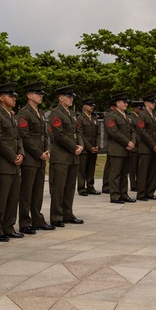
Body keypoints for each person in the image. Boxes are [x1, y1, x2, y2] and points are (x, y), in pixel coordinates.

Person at [0, 83, 24, 241]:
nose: (14, 99)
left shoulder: (12, 115)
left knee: (12, 197)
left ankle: (8, 227)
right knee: (0, 199)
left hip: (15, 164)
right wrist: (12, 156)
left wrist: (21, 152)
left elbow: (18, 138)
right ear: (1, 98)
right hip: (4, 163)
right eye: (11, 96)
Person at [17, 82, 52, 233]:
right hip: (31, 159)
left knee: (38, 192)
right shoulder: (24, 113)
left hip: (40, 158)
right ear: (29, 96)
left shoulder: (41, 113)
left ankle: (38, 219)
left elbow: (44, 135)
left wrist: (46, 150)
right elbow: (25, 137)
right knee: (27, 192)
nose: (41, 96)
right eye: (38, 94)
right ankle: (25, 222)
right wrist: (39, 153)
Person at [47, 85, 84, 224]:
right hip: (61, 156)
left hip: (73, 156)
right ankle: (56, 216)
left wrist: (81, 145)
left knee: (69, 187)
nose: (71, 99)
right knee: (59, 188)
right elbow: (59, 135)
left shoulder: (72, 114)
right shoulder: (56, 113)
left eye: (72, 97)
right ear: (61, 98)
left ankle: (67, 213)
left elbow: (78, 132)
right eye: (68, 97)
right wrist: (74, 147)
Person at [104, 92, 135, 204]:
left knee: (124, 173)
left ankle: (124, 194)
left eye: (127, 102)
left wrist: (132, 142)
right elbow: (114, 132)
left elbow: (132, 131)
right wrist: (127, 142)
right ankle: (115, 195)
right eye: (124, 102)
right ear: (117, 103)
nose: (126, 104)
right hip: (117, 149)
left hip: (127, 149)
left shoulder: (127, 117)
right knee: (115, 173)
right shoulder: (111, 116)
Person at [135, 94, 156, 201]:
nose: (153, 104)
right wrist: (153, 144)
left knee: (152, 171)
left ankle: (150, 192)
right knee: (143, 172)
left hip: (154, 147)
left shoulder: (153, 115)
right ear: (146, 103)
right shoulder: (142, 115)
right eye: (151, 102)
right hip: (145, 147)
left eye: (154, 102)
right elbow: (142, 131)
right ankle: (141, 194)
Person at [77, 98, 99, 196]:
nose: (92, 107)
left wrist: (97, 145)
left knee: (91, 168)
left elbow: (98, 134)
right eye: (90, 105)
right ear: (84, 106)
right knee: (82, 169)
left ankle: (90, 187)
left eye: (93, 105)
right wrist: (89, 147)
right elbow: (81, 134)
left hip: (94, 147)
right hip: (85, 148)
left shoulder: (94, 118)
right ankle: (81, 188)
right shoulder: (80, 118)